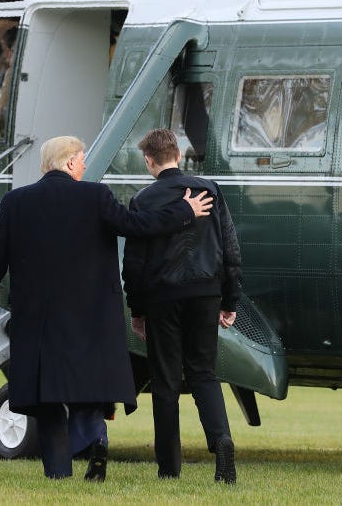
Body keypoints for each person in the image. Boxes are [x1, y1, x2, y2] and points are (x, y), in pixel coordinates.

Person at [0, 135, 214, 481]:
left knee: (48, 397)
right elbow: (137, 227)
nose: (84, 165)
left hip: (39, 319)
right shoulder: (95, 197)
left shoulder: (15, 202)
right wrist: (185, 212)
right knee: (88, 387)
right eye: (81, 159)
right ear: (69, 163)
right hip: (91, 315)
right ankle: (96, 440)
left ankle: (58, 471)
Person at [121, 128, 242, 484]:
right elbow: (231, 249)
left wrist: (137, 309)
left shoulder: (143, 200)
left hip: (162, 298)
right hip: (206, 294)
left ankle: (169, 466)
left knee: (165, 381)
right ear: (178, 153)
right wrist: (230, 299)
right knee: (204, 372)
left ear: (149, 160)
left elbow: (134, 264)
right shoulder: (210, 190)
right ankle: (221, 439)